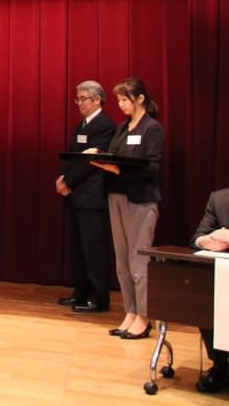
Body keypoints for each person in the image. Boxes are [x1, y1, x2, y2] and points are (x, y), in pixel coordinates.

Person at [91, 77, 164, 340]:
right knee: (122, 261)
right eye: (119, 100)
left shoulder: (152, 128)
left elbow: (152, 167)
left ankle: (144, 316)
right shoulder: (122, 127)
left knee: (138, 260)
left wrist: (119, 169)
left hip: (140, 200)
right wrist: (100, 158)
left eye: (125, 99)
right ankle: (130, 312)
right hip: (117, 196)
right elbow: (114, 156)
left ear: (140, 99)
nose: (121, 104)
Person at [55, 80, 114, 313]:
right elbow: (74, 157)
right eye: (77, 99)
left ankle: (98, 298)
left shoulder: (105, 125)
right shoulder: (82, 124)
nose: (79, 103)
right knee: (79, 248)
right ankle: (80, 293)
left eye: (83, 99)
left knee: (94, 249)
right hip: (77, 194)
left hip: (92, 196)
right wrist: (63, 178)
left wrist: (68, 181)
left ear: (97, 100)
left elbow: (92, 162)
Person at [190, 188, 229, 393]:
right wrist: (206, 241)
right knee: (205, 294)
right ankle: (221, 365)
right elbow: (197, 237)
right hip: (223, 276)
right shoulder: (219, 198)